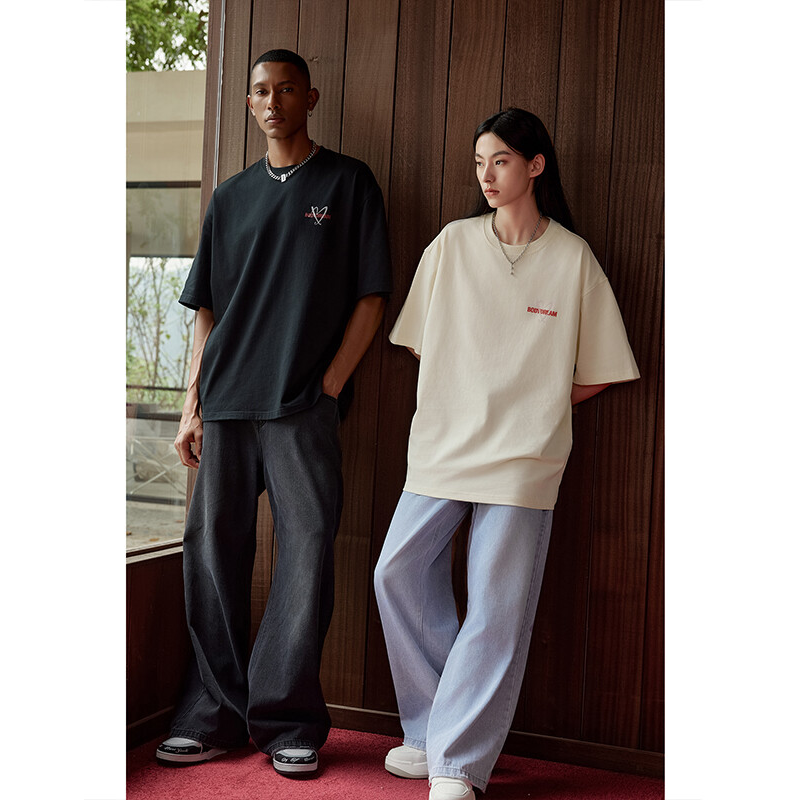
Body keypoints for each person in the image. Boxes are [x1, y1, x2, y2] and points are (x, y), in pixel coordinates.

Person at [373, 108, 639, 800]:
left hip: (524, 459)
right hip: (442, 447)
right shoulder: (451, 244)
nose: (487, 176)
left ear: (535, 165)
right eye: (479, 163)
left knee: (496, 607)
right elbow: (422, 344)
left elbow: (600, 370)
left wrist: (535, 404)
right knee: (396, 573)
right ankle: (432, 729)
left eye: (501, 161)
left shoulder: (573, 259)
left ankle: (457, 764)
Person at [155, 49, 392, 777]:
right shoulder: (229, 197)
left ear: (309, 97)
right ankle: (213, 713)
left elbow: (372, 297)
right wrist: (191, 406)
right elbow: (206, 311)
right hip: (226, 401)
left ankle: (289, 721)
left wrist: (330, 386)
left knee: (308, 553)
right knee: (211, 550)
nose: (272, 101)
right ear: (250, 102)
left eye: (286, 89)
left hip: (301, 404)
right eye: (260, 90)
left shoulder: (348, 183)